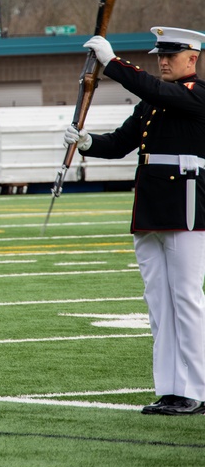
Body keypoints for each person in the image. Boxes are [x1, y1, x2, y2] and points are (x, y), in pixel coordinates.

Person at [64, 27, 205, 416]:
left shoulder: (195, 95)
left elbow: (155, 90)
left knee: (187, 301)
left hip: (184, 207)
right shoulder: (152, 104)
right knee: (159, 304)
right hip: (150, 207)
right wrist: (87, 142)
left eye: (171, 55)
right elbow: (122, 142)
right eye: (160, 54)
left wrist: (112, 63)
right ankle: (170, 388)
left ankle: (196, 388)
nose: (162, 60)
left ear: (192, 58)